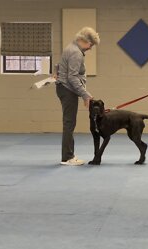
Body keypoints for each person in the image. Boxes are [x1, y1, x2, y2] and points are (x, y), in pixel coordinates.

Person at [55, 27, 100, 166]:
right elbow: (72, 77)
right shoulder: (76, 53)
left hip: (64, 88)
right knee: (69, 123)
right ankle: (67, 157)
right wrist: (85, 95)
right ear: (84, 41)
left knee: (69, 123)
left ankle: (68, 155)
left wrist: (56, 71)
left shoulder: (70, 47)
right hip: (68, 90)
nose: (90, 48)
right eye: (90, 45)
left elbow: (60, 65)